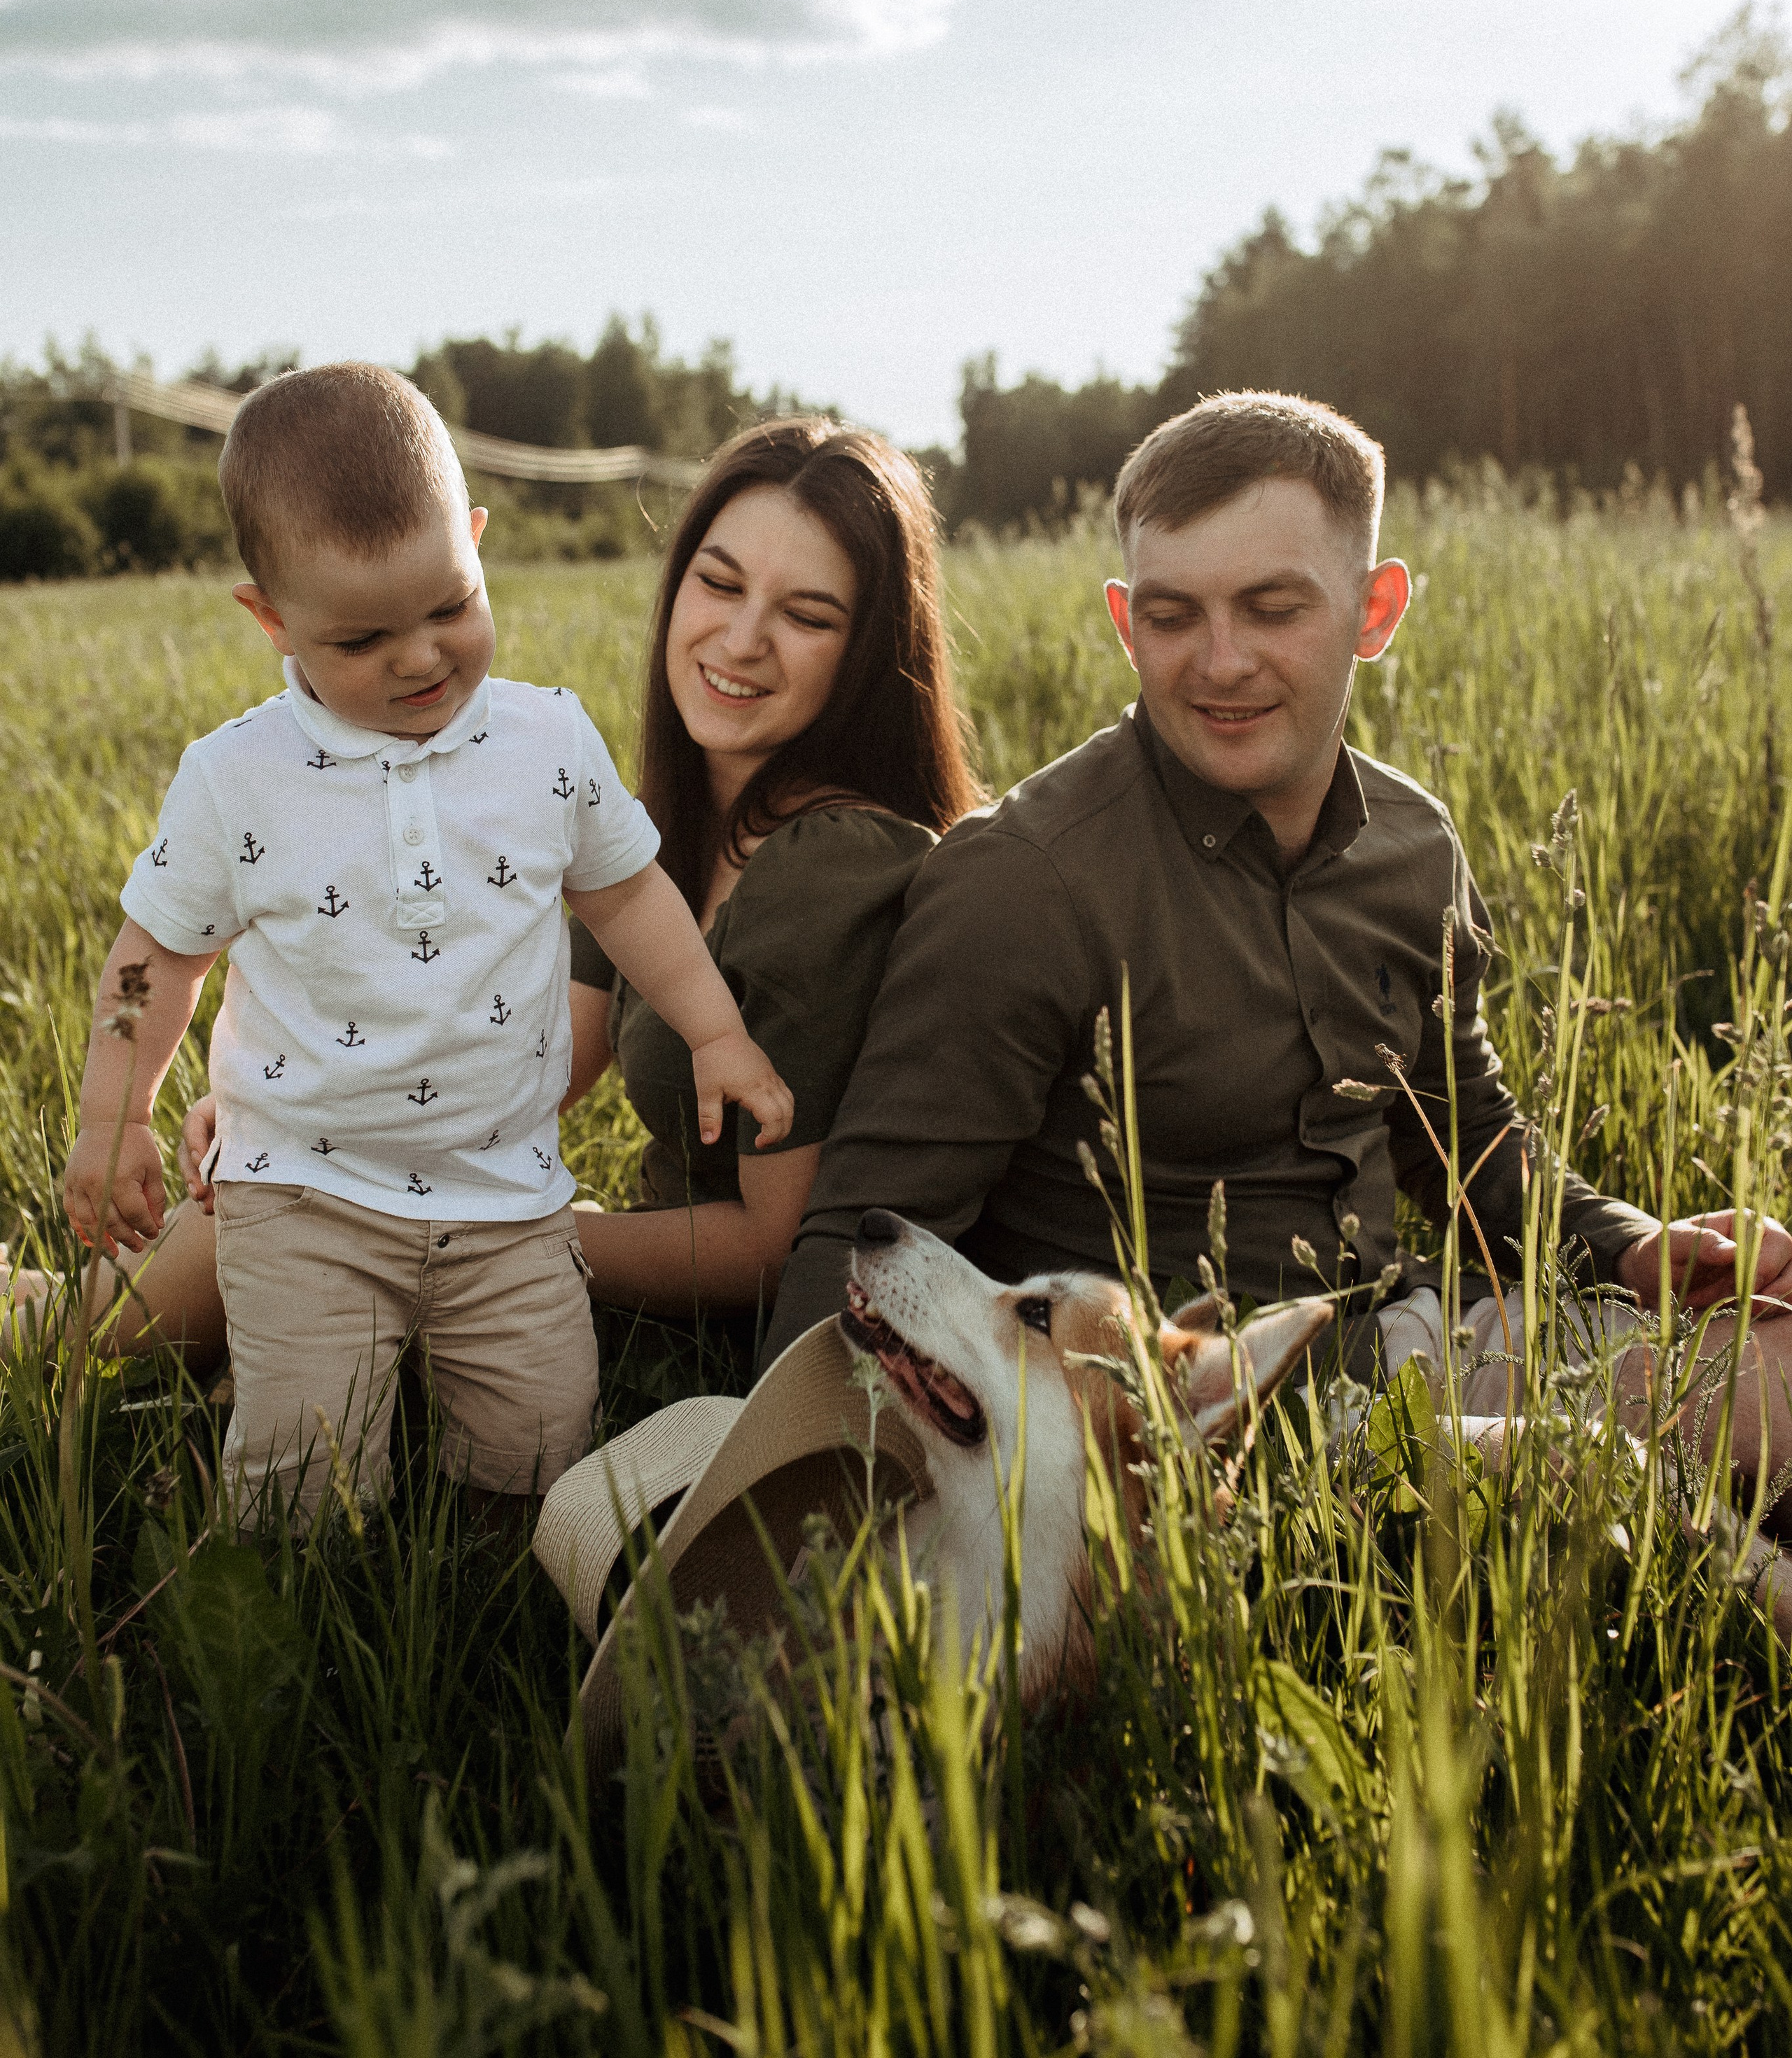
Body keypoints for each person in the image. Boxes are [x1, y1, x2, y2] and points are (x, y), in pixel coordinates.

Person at [765, 392, 1792, 1539]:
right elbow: (861, 1249)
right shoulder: (1025, 880)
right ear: (1125, 623)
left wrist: (1633, 1246)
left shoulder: (1415, 845)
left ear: (1374, 609)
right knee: (1586, 1465)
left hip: (1408, 1337)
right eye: (1173, 615)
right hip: (1181, 1429)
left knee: (1781, 1361)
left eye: (1272, 607)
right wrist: (792, 1522)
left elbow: (1465, 1135)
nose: (1222, 662)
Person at [30, 416, 981, 1371]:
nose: (741, 639)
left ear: (870, 650)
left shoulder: (829, 867)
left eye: (808, 616)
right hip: (581, 1261)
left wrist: (480, 1237)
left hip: (710, 1344)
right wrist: (313, 1113)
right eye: (720, 584)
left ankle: (51, 1331)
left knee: (290, 1229)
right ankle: (50, 1310)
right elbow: (531, 1053)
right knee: (284, 1198)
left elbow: (779, 1250)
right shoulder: (674, 825)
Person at [61, 363, 792, 1514]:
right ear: (270, 618)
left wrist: (715, 1032)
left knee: (535, 1459)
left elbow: (630, 897)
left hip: (508, 1188)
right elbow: (157, 959)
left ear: (477, 543)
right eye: (362, 637)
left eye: (451, 606)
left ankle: (473, 1519)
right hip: (304, 1189)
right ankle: (257, 1470)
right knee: (302, 1485)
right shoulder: (237, 778)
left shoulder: (546, 741)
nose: (419, 657)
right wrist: (114, 1117)